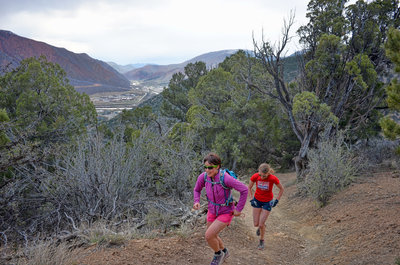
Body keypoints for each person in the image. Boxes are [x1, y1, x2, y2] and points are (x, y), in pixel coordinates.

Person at [193, 152, 248, 265]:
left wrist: (238, 209)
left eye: (210, 167)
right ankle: (224, 251)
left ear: (217, 166)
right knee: (213, 235)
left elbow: (244, 190)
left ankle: (218, 254)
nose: (207, 170)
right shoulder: (203, 177)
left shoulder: (225, 178)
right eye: (206, 167)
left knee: (208, 236)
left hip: (226, 211)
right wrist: (196, 201)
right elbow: (197, 189)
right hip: (212, 210)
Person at [248, 163, 284, 250]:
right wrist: (251, 199)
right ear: (258, 171)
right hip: (257, 200)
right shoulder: (255, 176)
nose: (262, 177)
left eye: (264, 176)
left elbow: (281, 189)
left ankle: (261, 241)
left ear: (268, 173)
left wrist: (277, 200)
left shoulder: (273, 178)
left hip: (267, 202)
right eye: (260, 175)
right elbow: (249, 188)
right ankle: (262, 226)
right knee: (256, 224)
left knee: (260, 224)